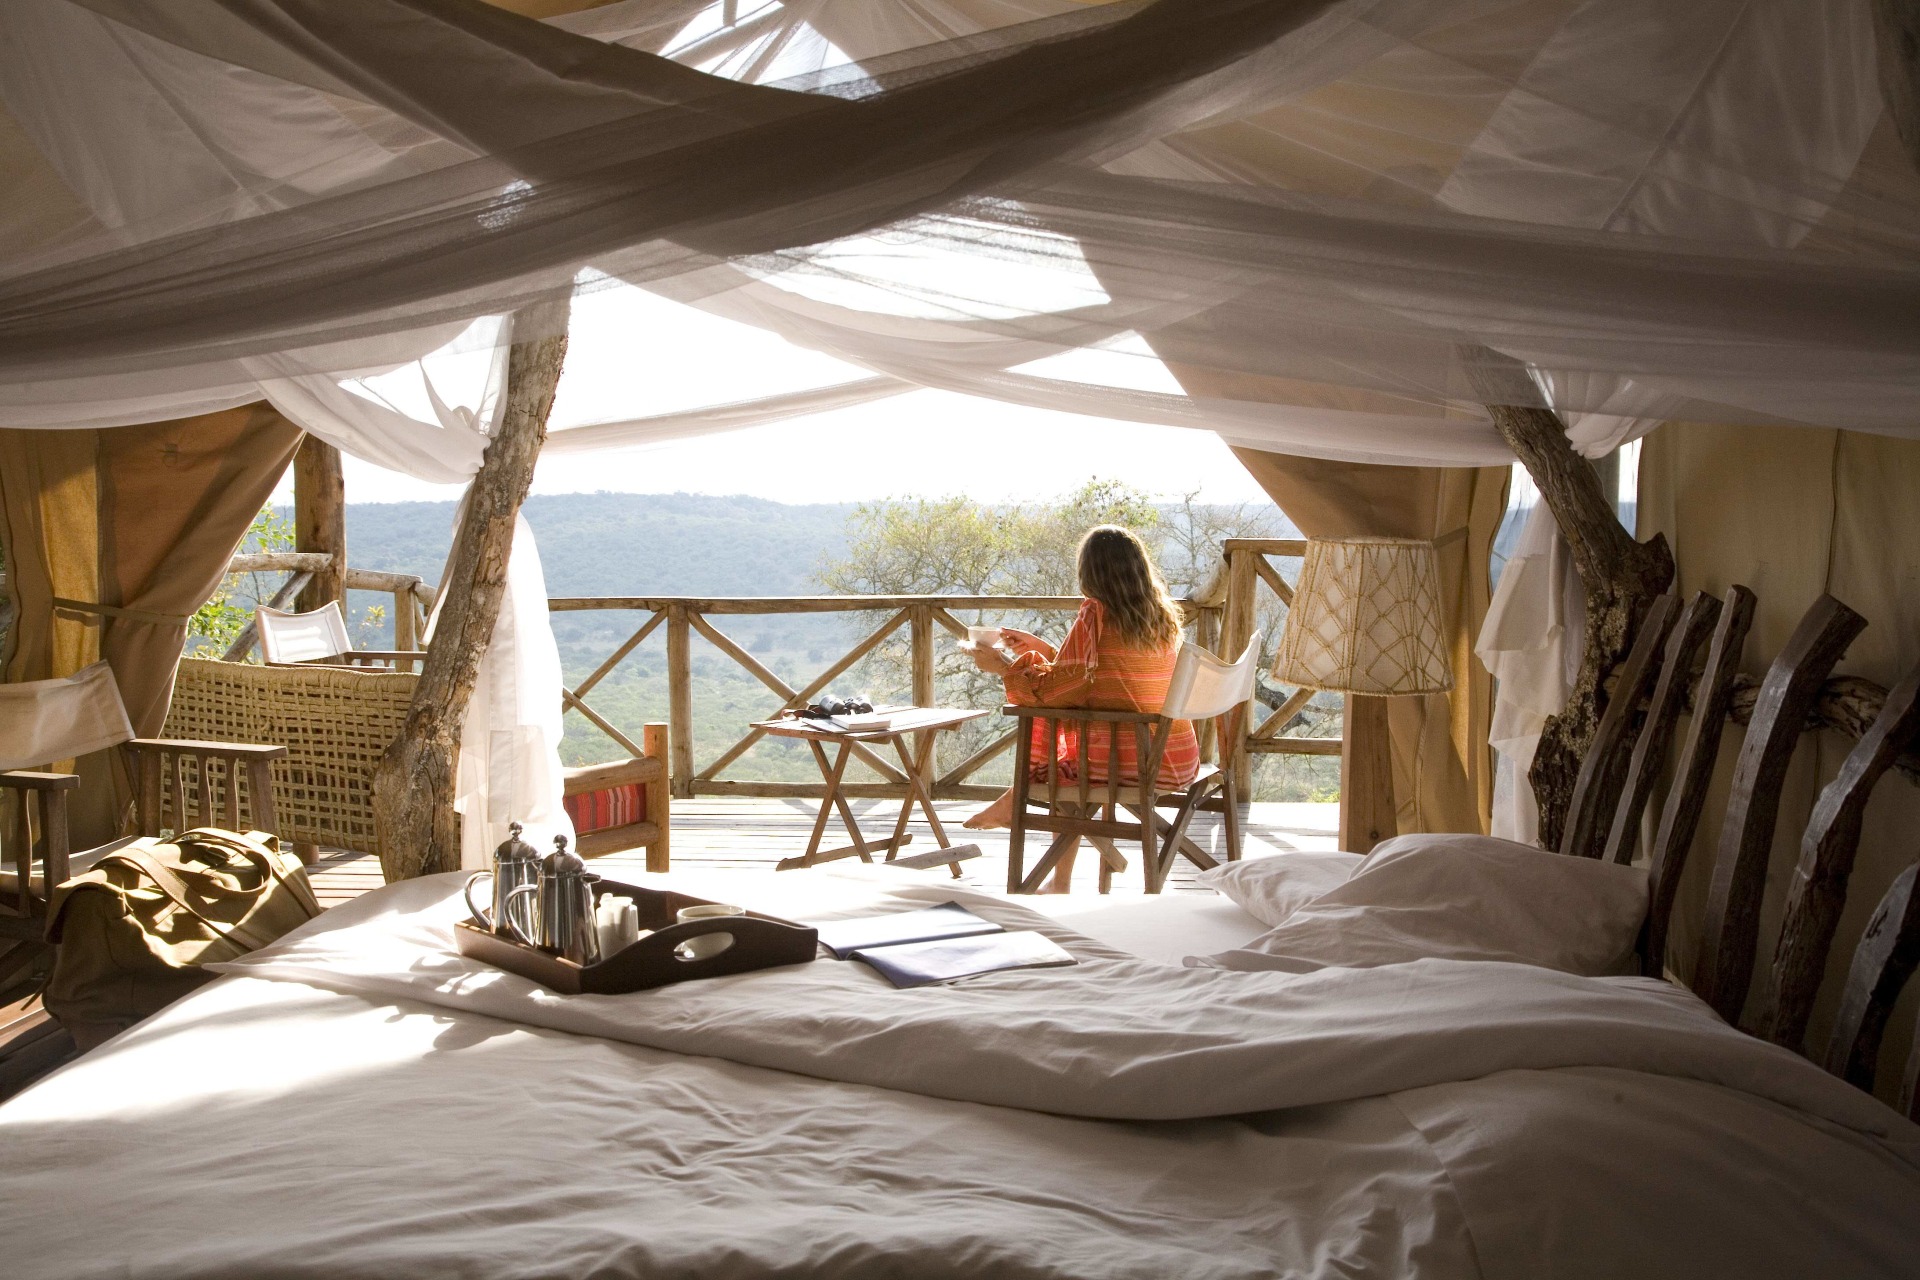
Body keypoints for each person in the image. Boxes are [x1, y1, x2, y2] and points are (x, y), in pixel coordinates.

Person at [963, 524, 1198, 832]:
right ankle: (1055, 871)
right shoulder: (1160, 617)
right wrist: (1043, 649)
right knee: (1073, 765)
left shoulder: (1095, 612)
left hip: (1134, 762)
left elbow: (1054, 694)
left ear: (1089, 571)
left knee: (1061, 768)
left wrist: (1003, 665)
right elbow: (1106, 674)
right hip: (1177, 759)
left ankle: (1012, 805)